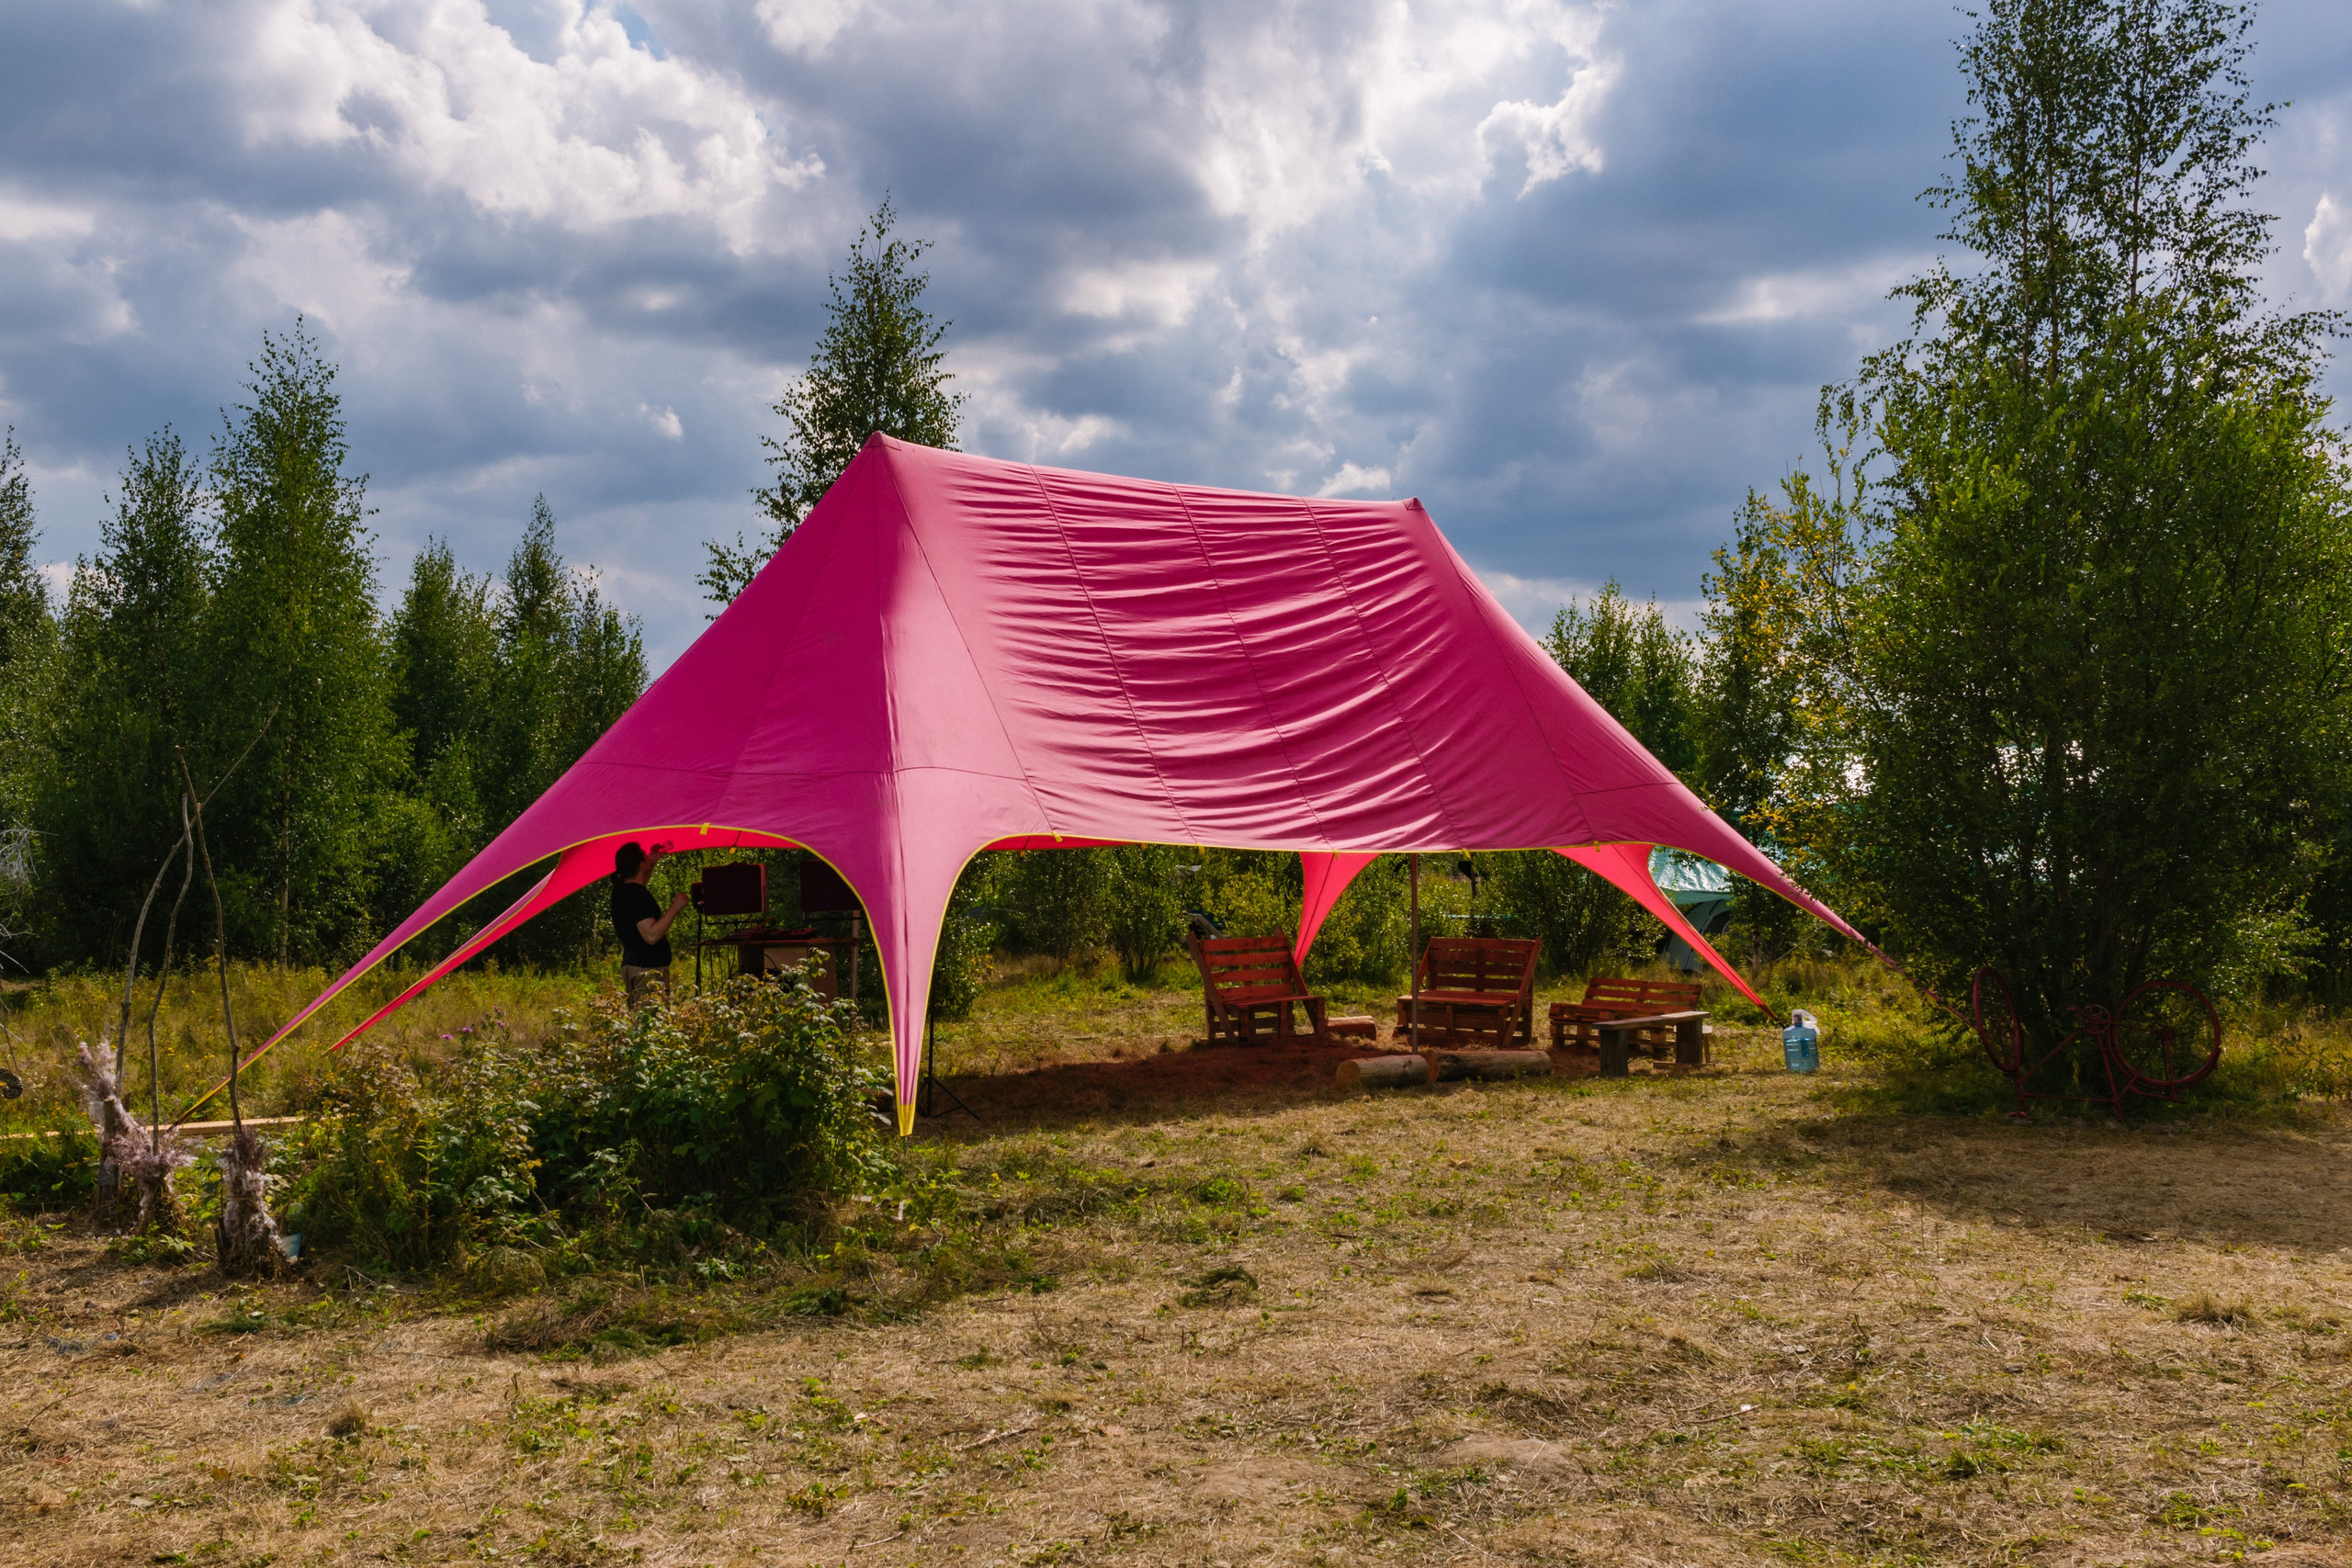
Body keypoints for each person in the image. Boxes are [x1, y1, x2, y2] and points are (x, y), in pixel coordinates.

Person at [611, 841, 689, 1005]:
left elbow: (638, 884)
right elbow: (651, 935)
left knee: (640, 1018)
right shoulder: (638, 896)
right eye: (644, 855)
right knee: (651, 1019)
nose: (648, 855)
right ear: (640, 864)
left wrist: (651, 865)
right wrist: (675, 907)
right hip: (648, 971)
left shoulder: (620, 891)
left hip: (634, 965)